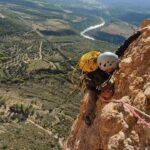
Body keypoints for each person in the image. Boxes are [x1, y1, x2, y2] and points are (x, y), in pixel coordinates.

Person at [79, 31, 141, 126]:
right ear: (106, 68)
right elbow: (99, 89)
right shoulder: (98, 76)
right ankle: (87, 116)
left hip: (97, 79)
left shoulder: (109, 59)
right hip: (92, 85)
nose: (115, 67)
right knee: (92, 101)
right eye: (112, 68)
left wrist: (138, 33)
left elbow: (124, 46)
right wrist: (107, 91)